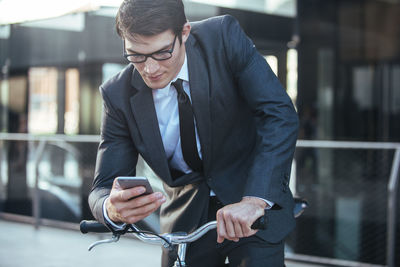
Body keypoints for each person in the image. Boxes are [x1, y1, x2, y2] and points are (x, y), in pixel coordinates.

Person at [89, 0, 299, 266]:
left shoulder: (223, 37)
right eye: (136, 56)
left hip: (249, 200)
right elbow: (102, 188)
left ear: (184, 33)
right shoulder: (116, 94)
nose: (150, 69)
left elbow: (279, 113)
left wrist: (256, 199)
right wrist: (111, 207)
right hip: (184, 219)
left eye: (162, 53)